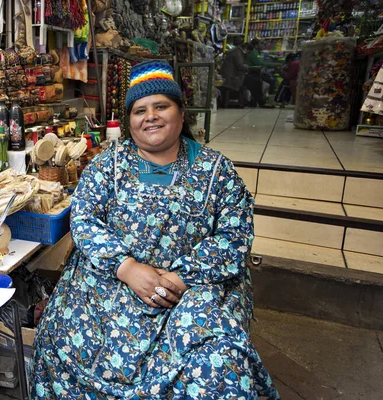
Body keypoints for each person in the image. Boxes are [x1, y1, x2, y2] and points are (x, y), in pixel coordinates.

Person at [30, 60, 279, 399]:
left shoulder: (216, 170)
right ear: (130, 120)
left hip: (192, 289)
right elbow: (85, 219)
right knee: (63, 340)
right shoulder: (108, 164)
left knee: (216, 364)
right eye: (140, 110)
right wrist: (127, 267)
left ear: (180, 112)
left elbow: (234, 236)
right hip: (111, 281)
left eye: (161, 106)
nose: (151, 116)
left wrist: (181, 278)